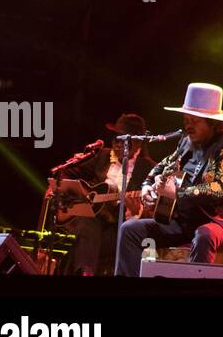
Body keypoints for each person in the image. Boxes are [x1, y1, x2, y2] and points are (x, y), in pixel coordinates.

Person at [115, 83, 223, 276]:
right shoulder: (189, 140)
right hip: (187, 221)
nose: (187, 125)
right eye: (185, 119)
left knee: (204, 235)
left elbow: (221, 189)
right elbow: (162, 166)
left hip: (221, 221)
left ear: (211, 122)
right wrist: (147, 185)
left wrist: (178, 193)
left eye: (194, 120)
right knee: (130, 230)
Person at [59, 113, 155, 276]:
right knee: (88, 220)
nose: (117, 144)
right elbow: (68, 173)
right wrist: (60, 188)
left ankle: (79, 271)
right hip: (93, 221)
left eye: (123, 140)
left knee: (82, 245)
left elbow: (151, 213)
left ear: (138, 143)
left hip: (119, 226)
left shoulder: (149, 170)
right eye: (115, 138)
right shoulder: (101, 156)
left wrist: (136, 211)